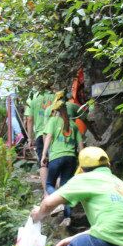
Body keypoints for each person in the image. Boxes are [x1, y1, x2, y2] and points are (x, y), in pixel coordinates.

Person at [40, 97, 82, 227]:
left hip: (57, 157)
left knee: (48, 185)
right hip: (71, 158)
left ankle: (59, 203)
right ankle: (67, 218)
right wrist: (81, 160)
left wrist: (43, 154)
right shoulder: (74, 125)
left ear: (55, 111)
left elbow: (48, 137)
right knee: (65, 187)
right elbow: (80, 145)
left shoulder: (53, 121)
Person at [25, 87, 56, 184]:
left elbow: (29, 120)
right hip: (55, 133)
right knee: (55, 159)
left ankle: (47, 192)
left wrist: (30, 138)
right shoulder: (55, 96)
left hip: (40, 133)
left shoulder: (32, 98)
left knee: (43, 163)